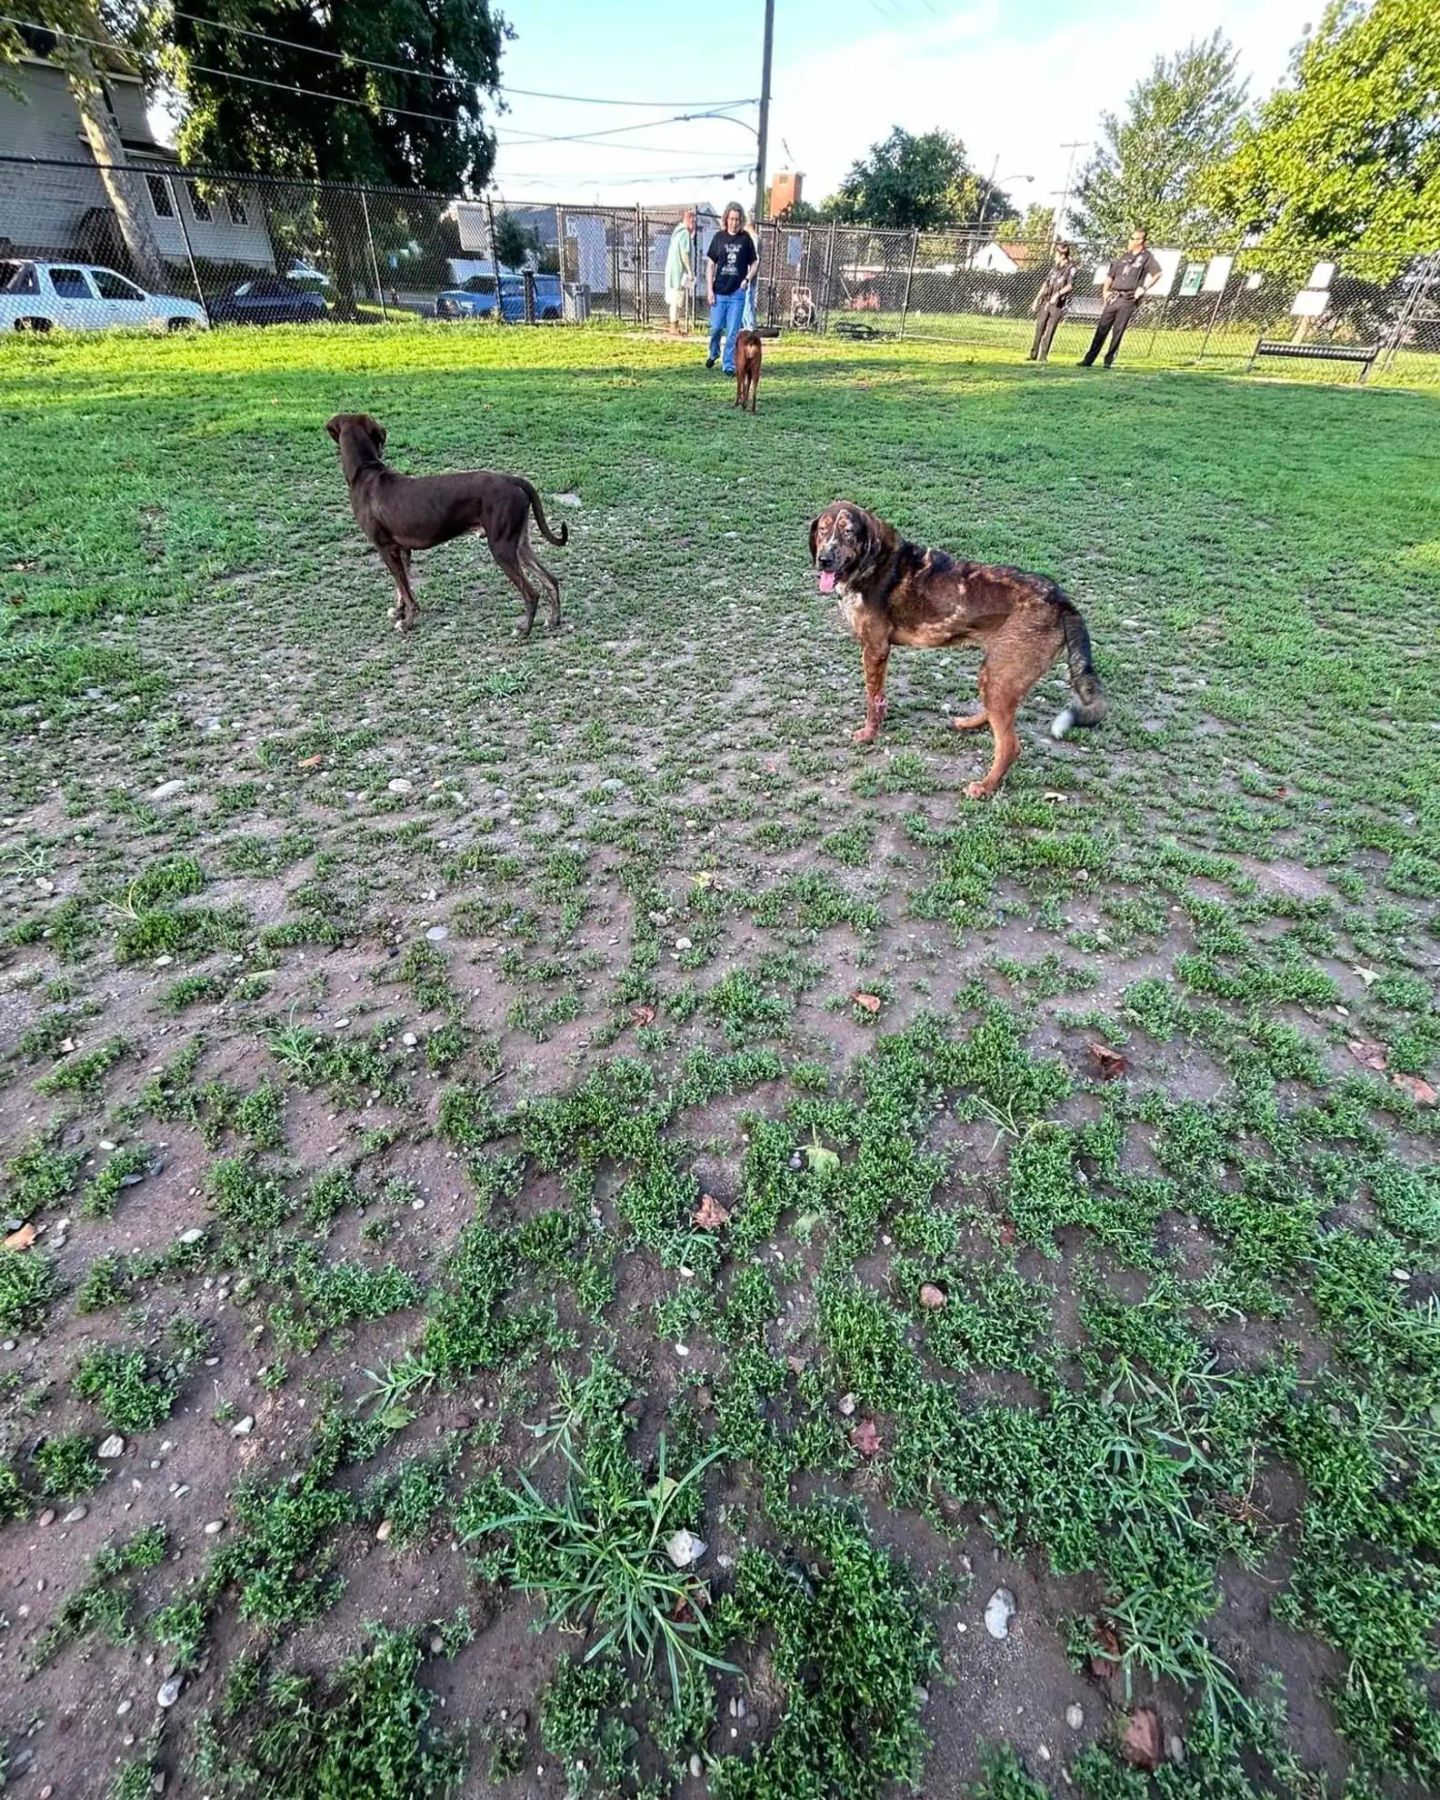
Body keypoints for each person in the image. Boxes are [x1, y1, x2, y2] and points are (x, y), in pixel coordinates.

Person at [1080, 228, 1162, 368]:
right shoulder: (1123, 256)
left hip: (1128, 299)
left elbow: (1158, 273)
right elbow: (1110, 275)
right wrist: (1105, 291)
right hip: (1114, 296)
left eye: (1132, 238)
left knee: (1118, 330)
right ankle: (1089, 359)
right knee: (1102, 328)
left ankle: (1108, 360)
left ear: (1140, 241)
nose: (1129, 241)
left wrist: (1143, 288)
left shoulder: (1147, 257)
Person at [705, 202, 758, 374]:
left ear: (741, 220)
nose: (734, 223)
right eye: (731, 219)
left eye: (737, 219)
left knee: (732, 332)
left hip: (737, 293)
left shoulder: (745, 239)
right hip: (719, 291)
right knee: (715, 328)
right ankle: (714, 353)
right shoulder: (719, 238)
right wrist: (709, 290)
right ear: (726, 219)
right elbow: (711, 264)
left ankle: (728, 364)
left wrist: (747, 279)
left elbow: (755, 262)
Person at [1028, 241, 1076, 363]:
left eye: (1056, 254)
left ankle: (1043, 356)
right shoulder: (1054, 268)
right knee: (1040, 326)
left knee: (1050, 329)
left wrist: (1058, 294)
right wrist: (1036, 299)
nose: (1054, 257)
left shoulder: (1071, 268)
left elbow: (1069, 286)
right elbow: (1046, 284)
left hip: (1057, 304)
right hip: (1046, 300)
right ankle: (1033, 354)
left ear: (1061, 255)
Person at [664, 207, 696, 335]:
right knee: (676, 300)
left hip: (671, 271)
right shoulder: (684, 234)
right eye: (693, 221)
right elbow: (684, 253)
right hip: (678, 272)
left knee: (675, 300)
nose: (694, 225)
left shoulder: (676, 232)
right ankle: (674, 326)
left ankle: (675, 325)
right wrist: (689, 270)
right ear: (689, 220)